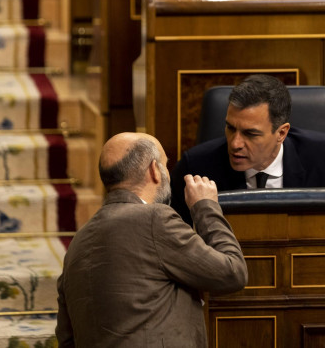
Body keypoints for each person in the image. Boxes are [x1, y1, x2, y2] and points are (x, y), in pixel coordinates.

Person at [55, 132, 247, 347]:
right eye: (166, 165)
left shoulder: (78, 242)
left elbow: (66, 337)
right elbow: (233, 272)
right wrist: (205, 206)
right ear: (154, 170)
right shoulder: (154, 219)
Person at [171, 75, 325, 226]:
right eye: (230, 128)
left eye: (250, 133)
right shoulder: (195, 167)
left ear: (281, 133)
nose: (235, 143)